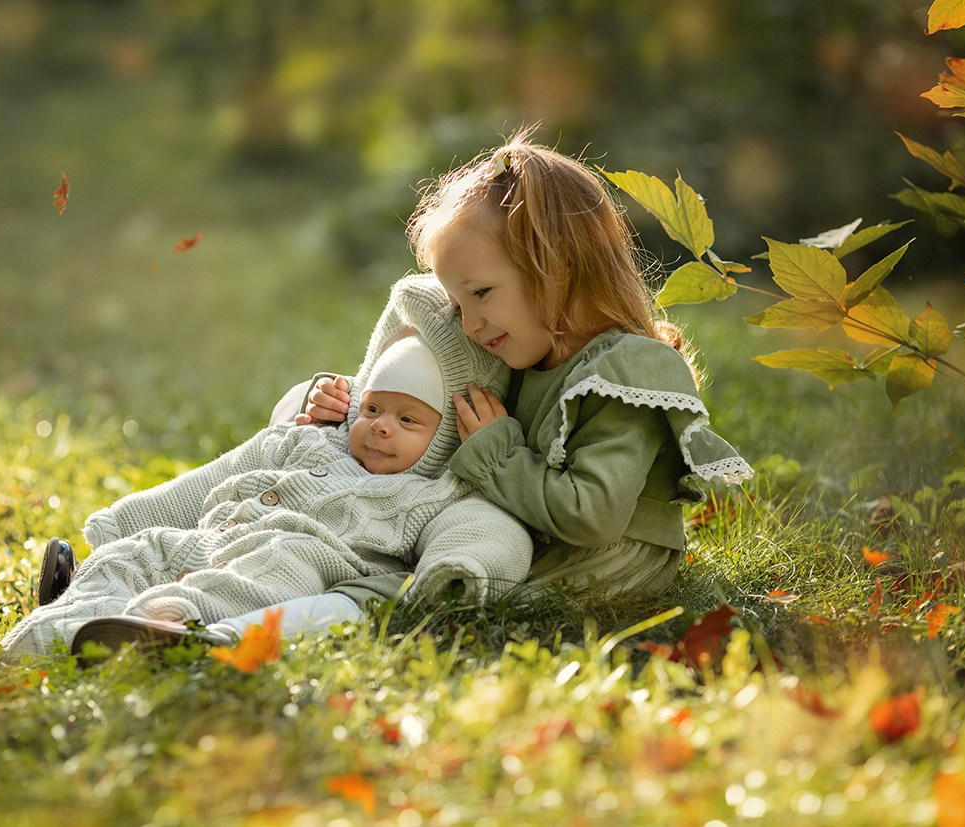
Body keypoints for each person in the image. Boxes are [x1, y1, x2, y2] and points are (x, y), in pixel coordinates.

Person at [286, 128, 753, 619]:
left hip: (596, 562)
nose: (469, 323)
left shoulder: (626, 368)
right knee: (366, 538)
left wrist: (497, 453)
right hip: (519, 527)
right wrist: (352, 404)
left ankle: (278, 623)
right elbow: (426, 410)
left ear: (557, 263)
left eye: (482, 293)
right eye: (459, 303)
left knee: (414, 586)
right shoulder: (527, 349)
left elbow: (591, 516)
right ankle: (254, 581)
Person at [0, 276, 532, 660]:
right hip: (211, 537)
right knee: (132, 556)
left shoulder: (436, 493)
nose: (382, 427)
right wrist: (128, 521)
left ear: (446, 436)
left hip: (294, 562)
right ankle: (53, 627)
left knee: (237, 583)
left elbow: (492, 532)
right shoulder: (315, 441)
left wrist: (459, 568)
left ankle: (158, 626)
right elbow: (217, 475)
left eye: (409, 420)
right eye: (372, 409)